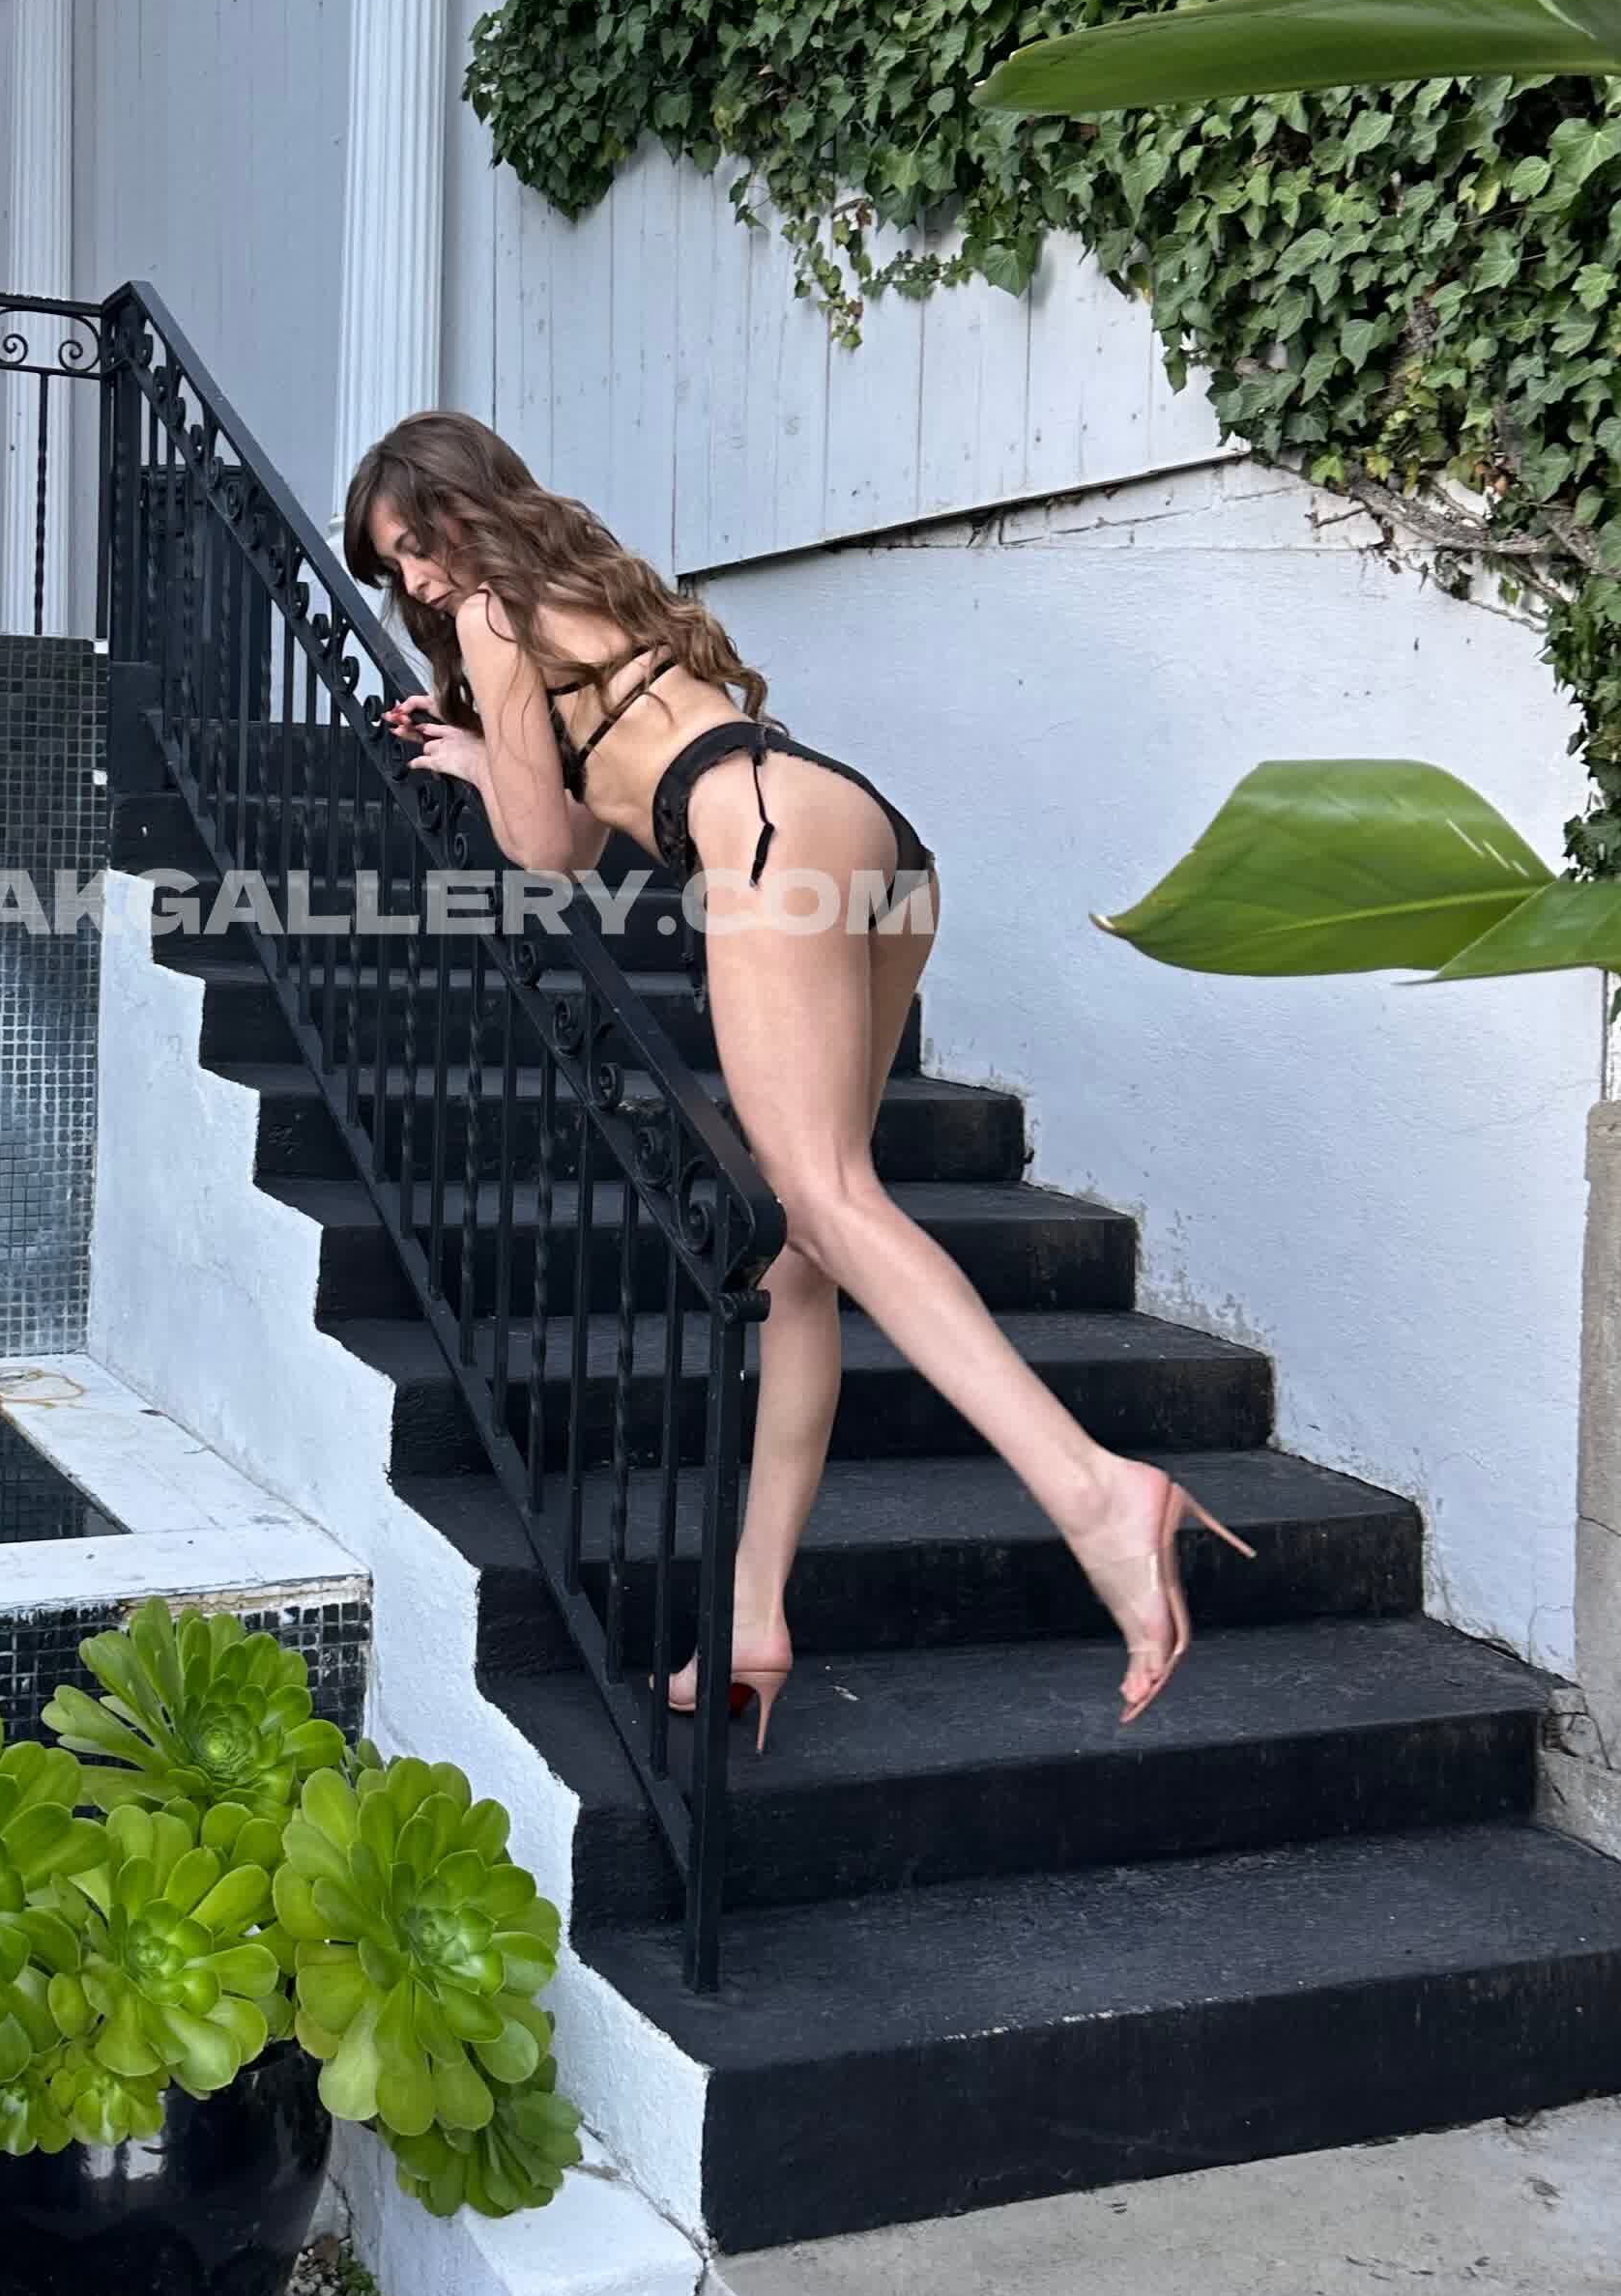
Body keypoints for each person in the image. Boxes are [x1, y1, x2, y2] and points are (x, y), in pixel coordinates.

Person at [342, 409, 1249, 1746]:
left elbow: (538, 853)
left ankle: (1095, 1492)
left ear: (469, 506)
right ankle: (755, 1614)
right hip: (857, 829)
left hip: (763, 836)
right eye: (391, 567)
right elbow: (590, 829)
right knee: (797, 1257)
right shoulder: (578, 583)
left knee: (824, 1200)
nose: (419, 581)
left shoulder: (491, 615)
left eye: (421, 542)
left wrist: (488, 764)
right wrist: (490, 749)